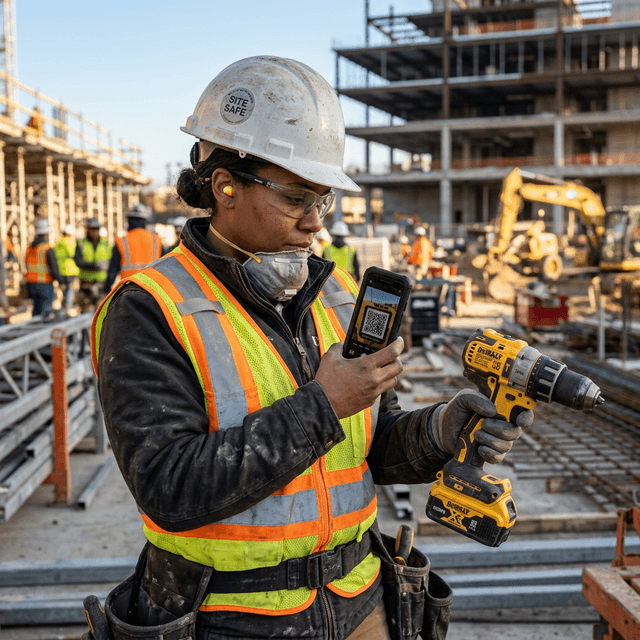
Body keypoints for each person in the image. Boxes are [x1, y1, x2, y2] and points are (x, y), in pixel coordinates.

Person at [90, 56, 532, 640]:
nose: (315, 224)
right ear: (225, 187)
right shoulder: (151, 308)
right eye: (298, 199)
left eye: (322, 201)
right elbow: (168, 486)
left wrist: (441, 431)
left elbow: (371, 449)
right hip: (230, 620)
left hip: (359, 601)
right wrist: (322, 405)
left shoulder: (340, 296)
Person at [104, 203, 162, 291]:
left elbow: (113, 268)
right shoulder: (156, 240)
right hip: (152, 288)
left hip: (128, 288)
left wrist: (107, 288)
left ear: (129, 221)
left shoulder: (122, 241)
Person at [25, 219, 66, 316]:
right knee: (45, 314)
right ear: (46, 234)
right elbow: (54, 269)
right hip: (45, 285)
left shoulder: (29, 248)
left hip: (31, 285)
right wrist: (62, 282)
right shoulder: (47, 249)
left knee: (36, 312)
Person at [74, 217, 112, 313]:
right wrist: (95, 265)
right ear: (87, 230)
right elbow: (78, 261)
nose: (95, 232)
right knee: (85, 314)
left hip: (101, 286)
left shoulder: (107, 244)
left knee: (102, 314)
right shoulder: (81, 243)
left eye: (97, 230)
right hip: (86, 286)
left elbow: (112, 263)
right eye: (92, 230)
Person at [54, 224, 79, 310]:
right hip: (70, 270)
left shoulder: (58, 243)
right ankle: (68, 307)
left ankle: (64, 306)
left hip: (60, 270)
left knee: (63, 289)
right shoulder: (70, 243)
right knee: (70, 288)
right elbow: (74, 255)